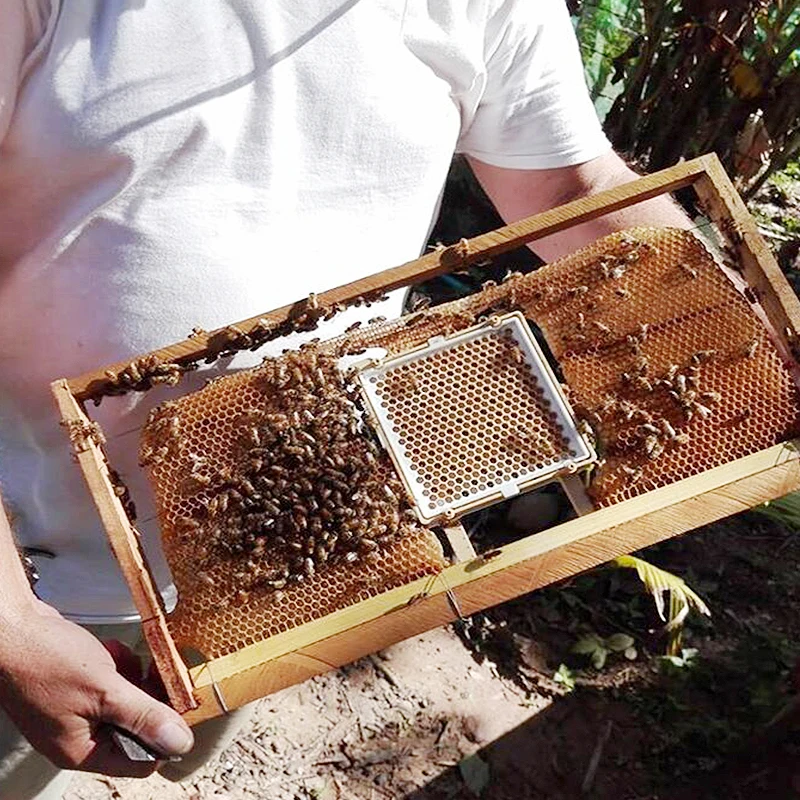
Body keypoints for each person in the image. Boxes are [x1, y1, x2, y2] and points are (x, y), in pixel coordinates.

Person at [0, 0, 690, 797]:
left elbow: (569, 181)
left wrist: (740, 314)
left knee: (160, 747)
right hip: (32, 563)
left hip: (294, 552)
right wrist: (12, 624)